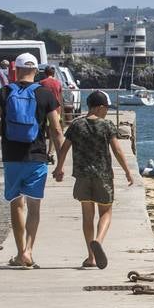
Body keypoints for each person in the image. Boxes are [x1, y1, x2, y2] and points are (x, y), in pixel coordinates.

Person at [0, 52, 64, 269]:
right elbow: (56, 129)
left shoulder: (4, 91)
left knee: (16, 204)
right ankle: (29, 250)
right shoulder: (46, 94)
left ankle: (20, 254)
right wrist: (61, 162)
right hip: (37, 156)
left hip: (12, 157)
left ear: (15, 70)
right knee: (34, 206)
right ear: (36, 71)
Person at [53, 90, 134, 269]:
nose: (106, 111)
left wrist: (59, 168)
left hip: (82, 176)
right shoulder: (107, 125)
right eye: (105, 107)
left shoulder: (76, 124)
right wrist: (128, 171)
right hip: (103, 176)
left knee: (87, 216)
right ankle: (98, 240)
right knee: (106, 212)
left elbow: (64, 147)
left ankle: (91, 257)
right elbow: (117, 150)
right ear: (98, 107)